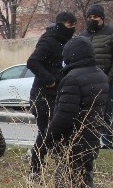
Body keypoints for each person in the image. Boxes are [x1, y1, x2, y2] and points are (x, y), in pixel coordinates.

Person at [46, 36, 109, 188]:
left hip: (71, 142)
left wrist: (47, 139)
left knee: (67, 186)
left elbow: (64, 116)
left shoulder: (72, 79)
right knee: (85, 185)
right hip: (91, 140)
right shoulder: (100, 75)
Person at [26, 11, 76, 179]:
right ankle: (35, 169)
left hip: (58, 95)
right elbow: (33, 62)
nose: (72, 29)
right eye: (69, 25)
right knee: (46, 133)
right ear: (61, 25)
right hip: (43, 95)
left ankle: (61, 169)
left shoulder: (67, 42)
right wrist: (49, 80)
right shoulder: (49, 40)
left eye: (74, 25)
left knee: (57, 133)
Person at [81, 5, 113, 150]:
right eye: (90, 17)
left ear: (102, 18)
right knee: (87, 114)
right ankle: (89, 142)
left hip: (106, 82)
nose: (92, 20)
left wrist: (110, 77)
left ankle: (107, 142)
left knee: (106, 113)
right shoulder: (83, 36)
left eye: (95, 17)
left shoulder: (112, 33)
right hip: (87, 82)